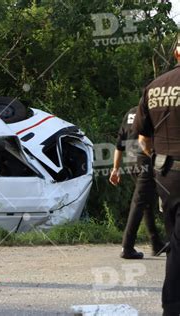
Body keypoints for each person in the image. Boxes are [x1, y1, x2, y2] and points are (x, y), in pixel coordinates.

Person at [134, 36, 180, 316]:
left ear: (176, 53)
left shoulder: (155, 86)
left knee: (175, 239)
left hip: (164, 174)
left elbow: (143, 139)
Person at [110, 107, 165, 259]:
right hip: (145, 161)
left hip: (131, 162)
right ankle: (127, 247)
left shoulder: (130, 113)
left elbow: (119, 144)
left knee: (147, 201)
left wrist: (115, 168)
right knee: (139, 202)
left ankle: (156, 244)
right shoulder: (151, 112)